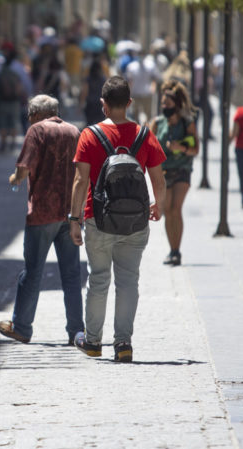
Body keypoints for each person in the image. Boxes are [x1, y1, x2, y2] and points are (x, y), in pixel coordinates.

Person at [69, 77, 166, 363]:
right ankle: (123, 343)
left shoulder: (89, 135)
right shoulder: (144, 134)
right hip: (135, 221)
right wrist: (157, 206)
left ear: (102, 104)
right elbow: (159, 179)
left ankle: (93, 340)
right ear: (130, 103)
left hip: (97, 218)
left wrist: (74, 219)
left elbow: (80, 179)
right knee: (128, 282)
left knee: (98, 279)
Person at [0, 94, 84, 347]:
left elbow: (23, 170)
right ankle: (76, 330)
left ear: (35, 115)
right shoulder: (73, 131)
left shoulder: (36, 131)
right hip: (69, 212)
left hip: (43, 212)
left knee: (32, 272)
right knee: (71, 274)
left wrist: (14, 180)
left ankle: (22, 327)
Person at [149, 81, 199, 265]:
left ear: (176, 105)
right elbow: (149, 146)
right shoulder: (158, 123)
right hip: (164, 171)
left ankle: (177, 250)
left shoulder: (188, 123)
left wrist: (181, 148)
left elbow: (196, 149)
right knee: (167, 211)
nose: (164, 107)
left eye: (168, 104)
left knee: (176, 209)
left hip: (182, 170)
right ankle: (172, 250)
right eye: (163, 104)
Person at [0, 50, 26, 152]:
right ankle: (13, 143)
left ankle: (3, 143)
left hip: (2, 102)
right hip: (14, 102)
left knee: (3, 123)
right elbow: (19, 89)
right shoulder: (14, 75)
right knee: (14, 122)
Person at [80, 59, 108, 128]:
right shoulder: (103, 79)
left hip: (90, 104)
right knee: (101, 125)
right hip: (100, 105)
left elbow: (84, 92)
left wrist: (81, 103)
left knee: (89, 124)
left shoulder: (88, 79)